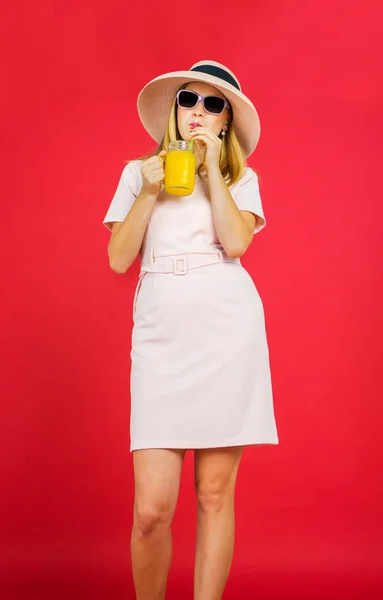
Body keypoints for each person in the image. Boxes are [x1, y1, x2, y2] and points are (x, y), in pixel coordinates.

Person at [102, 60, 279, 600]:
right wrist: (150, 192)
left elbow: (237, 244)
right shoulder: (138, 174)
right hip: (162, 332)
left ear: (225, 121)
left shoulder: (241, 180)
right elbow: (118, 258)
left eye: (212, 103)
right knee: (151, 509)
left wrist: (210, 172)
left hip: (227, 329)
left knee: (213, 494)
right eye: (188, 100)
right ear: (173, 111)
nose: (197, 111)